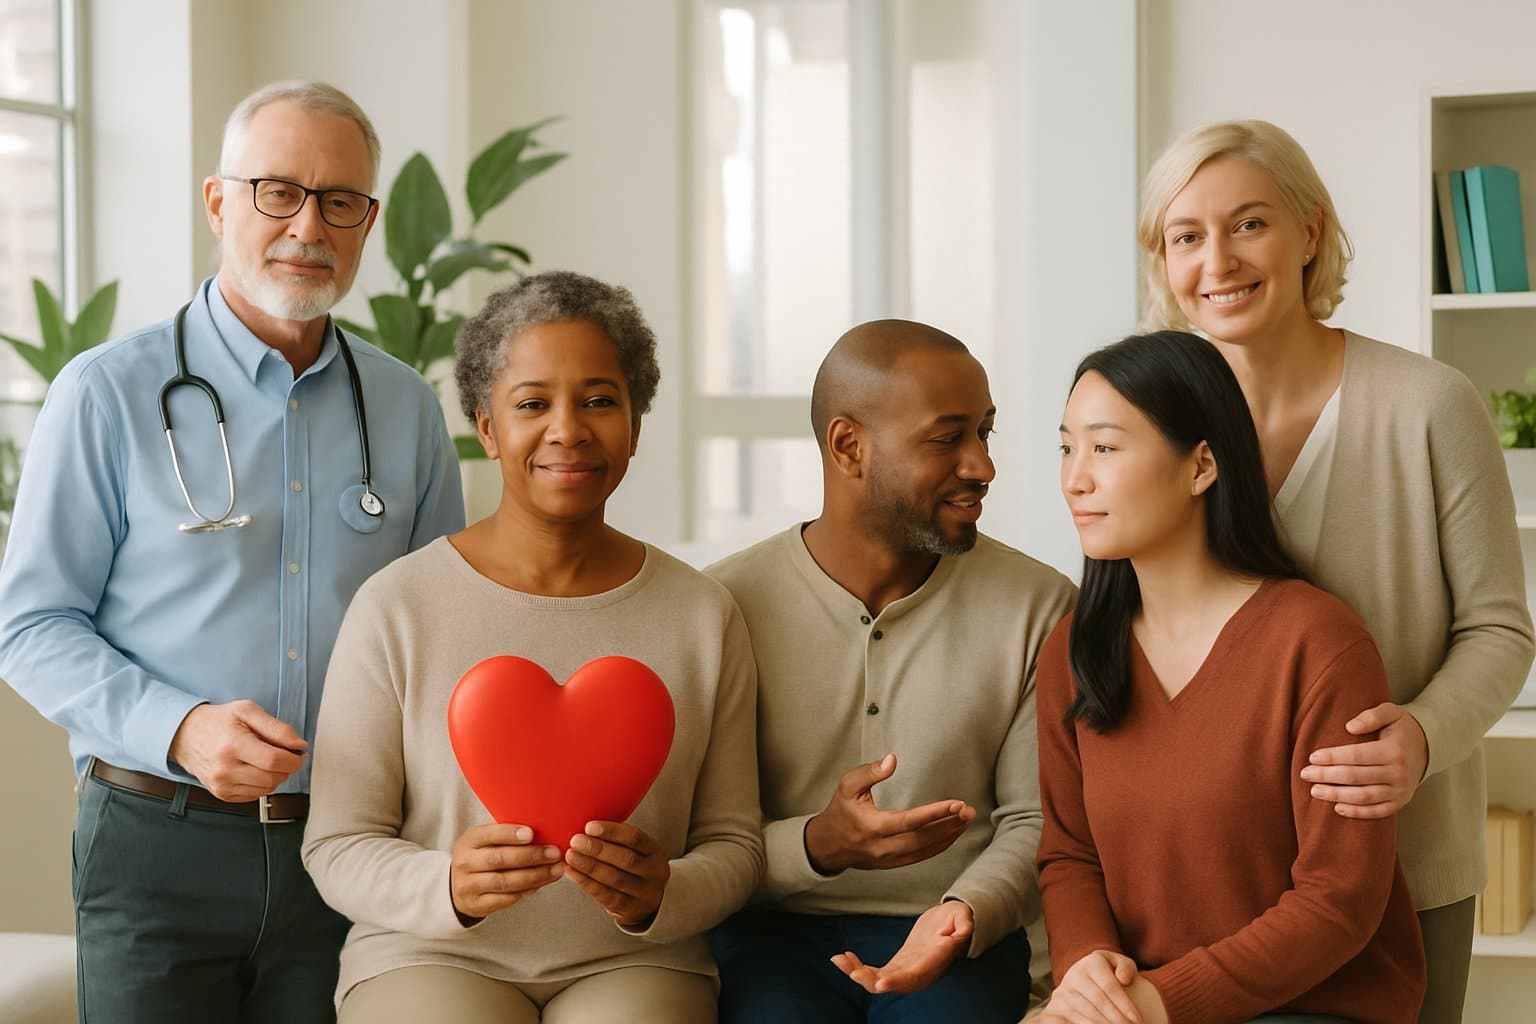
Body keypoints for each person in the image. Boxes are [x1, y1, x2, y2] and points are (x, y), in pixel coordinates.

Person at [0, 81, 465, 1021]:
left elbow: (443, 631)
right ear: (220, 202)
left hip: (350, 850)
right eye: (278, 191)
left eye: (340, 201)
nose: (308, 225)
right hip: (153, 843)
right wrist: (181, 727)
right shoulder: (106, 394)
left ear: (368, 220)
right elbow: (30, 625)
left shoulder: (407, 408)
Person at [1137, 119, 1535, 1024]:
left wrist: (1423, 737)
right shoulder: (1154, 419)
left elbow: (1501, 629)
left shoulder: (1430, 404)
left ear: (1309, 232)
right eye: (1186, 236)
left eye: (1249, 224)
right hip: (1207, 880)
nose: (1218, 261)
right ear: (1162, 259)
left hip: (1405, 862)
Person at [301, 270, 763, 1023]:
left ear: (636, 425)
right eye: (531, 404)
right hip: (427, 953)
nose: (568, 430)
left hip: (639, 960)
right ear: (487, 427)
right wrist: (445, 885)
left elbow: (734, 844)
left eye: (599, 401)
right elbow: (339, 844)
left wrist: (662, 894)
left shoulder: (702, 615)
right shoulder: (398, 605)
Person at [1037, 329, 1426, 1024]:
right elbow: (1069, 853)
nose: (1075, 478)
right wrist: (1087, 972)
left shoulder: (1316, 642)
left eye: (1104, 447)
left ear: (1201, 465)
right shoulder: (1073, 648)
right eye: (1066, 448)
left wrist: (1161, 1001)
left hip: (1315, 1005)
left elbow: (1340, 898)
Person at [705, 320, 1075, 1023]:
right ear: (850, 446)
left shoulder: (1041, 605)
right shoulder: (722, 607)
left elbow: (1038, 820)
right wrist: (818, 844)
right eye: (947, 438)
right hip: (767, 936)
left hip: (958, 934)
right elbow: (701, 833)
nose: (982, 466)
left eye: (985, 434)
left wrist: (961, 914)